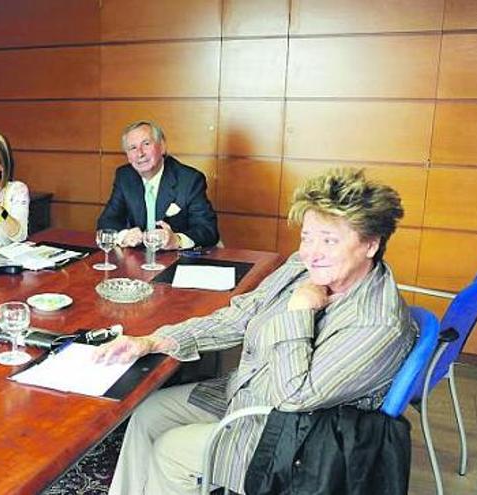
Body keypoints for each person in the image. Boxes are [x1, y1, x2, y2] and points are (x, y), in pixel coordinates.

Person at [95, 168, 416, 495]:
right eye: (307, 236)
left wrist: (300, 310)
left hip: (293, 438)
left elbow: (293, 396)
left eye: (329, 240)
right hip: (246, 393)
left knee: (171, 453)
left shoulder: (377, 323)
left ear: (371, 245)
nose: (311, 252)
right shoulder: (301, 267)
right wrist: (152, 340)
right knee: (147, 413)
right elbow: (241, 316)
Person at [97, 120, 219, 250]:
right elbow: (106, 221)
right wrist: (124, 236)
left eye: (146, 144)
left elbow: (208, 230)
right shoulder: (125, 176)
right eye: (133, 148)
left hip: (175, 259)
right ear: (128, 156)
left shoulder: (189, 180)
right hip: (136, 260)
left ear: (162, 147)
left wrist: (177, 240)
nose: (140, 153)